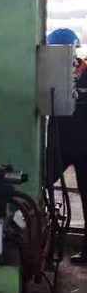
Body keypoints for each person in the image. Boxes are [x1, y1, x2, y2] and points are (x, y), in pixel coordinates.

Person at [47, 28, 87, 264]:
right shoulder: (50, 76)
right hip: (59, 145)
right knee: (37, 183)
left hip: (84, 149)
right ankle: (39, 237)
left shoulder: (85, 74)